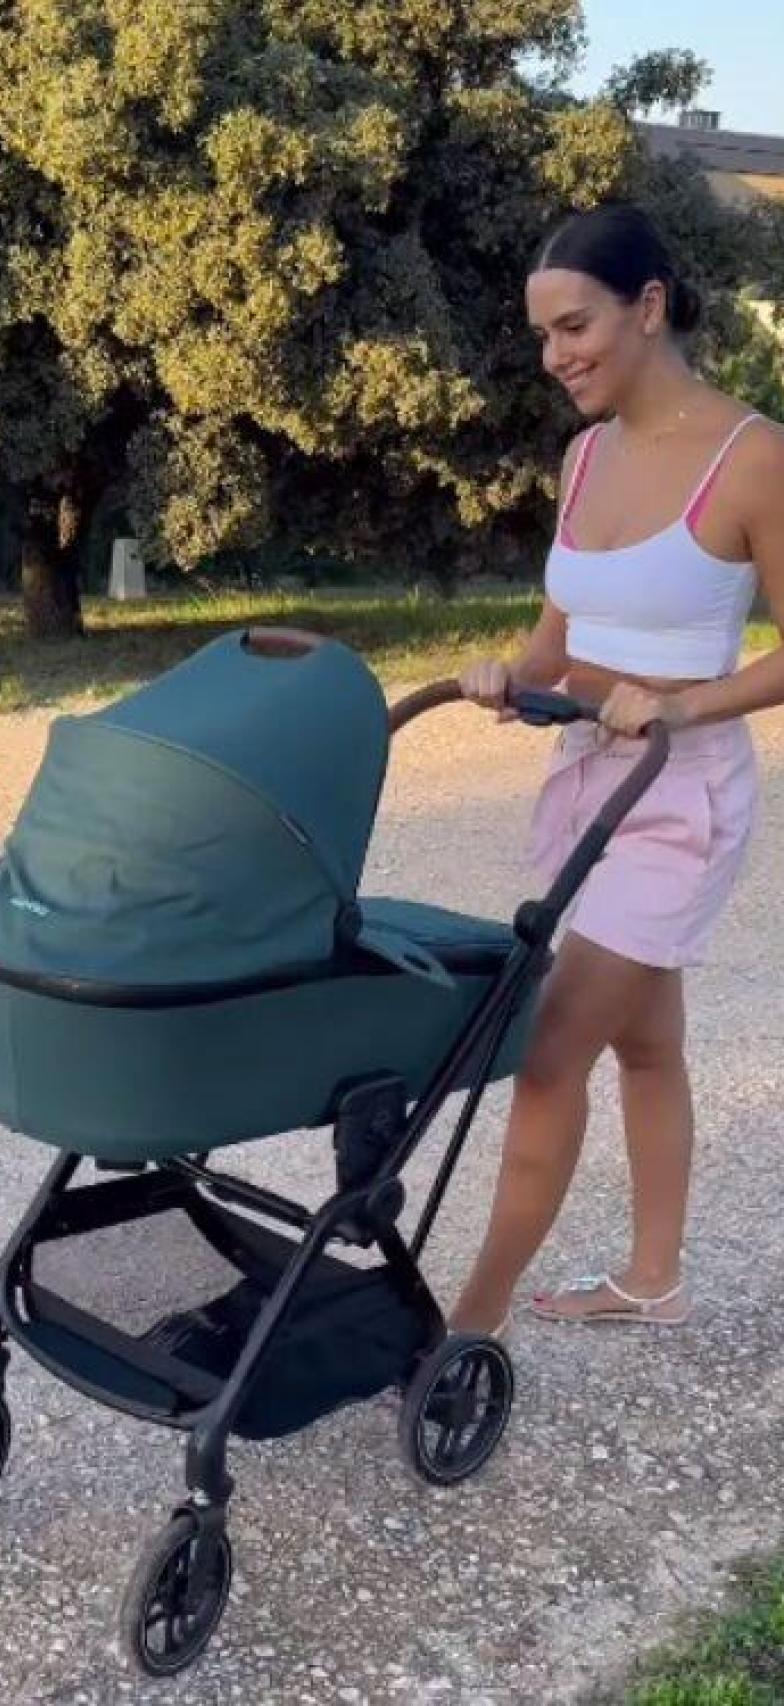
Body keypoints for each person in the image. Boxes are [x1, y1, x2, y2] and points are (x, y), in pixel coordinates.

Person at [449, 201, 784, 1334]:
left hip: (679, 797)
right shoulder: (582, 456)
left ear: (648, 307)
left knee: (549, 1048)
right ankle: (656, 1278)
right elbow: (560, 644)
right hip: (588, 778)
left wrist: (682, 704)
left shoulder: (753, 457)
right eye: (545, 336)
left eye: (576, 325)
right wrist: (512, 677)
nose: (557, 357)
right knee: (646, 1036)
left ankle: (466, 1326)